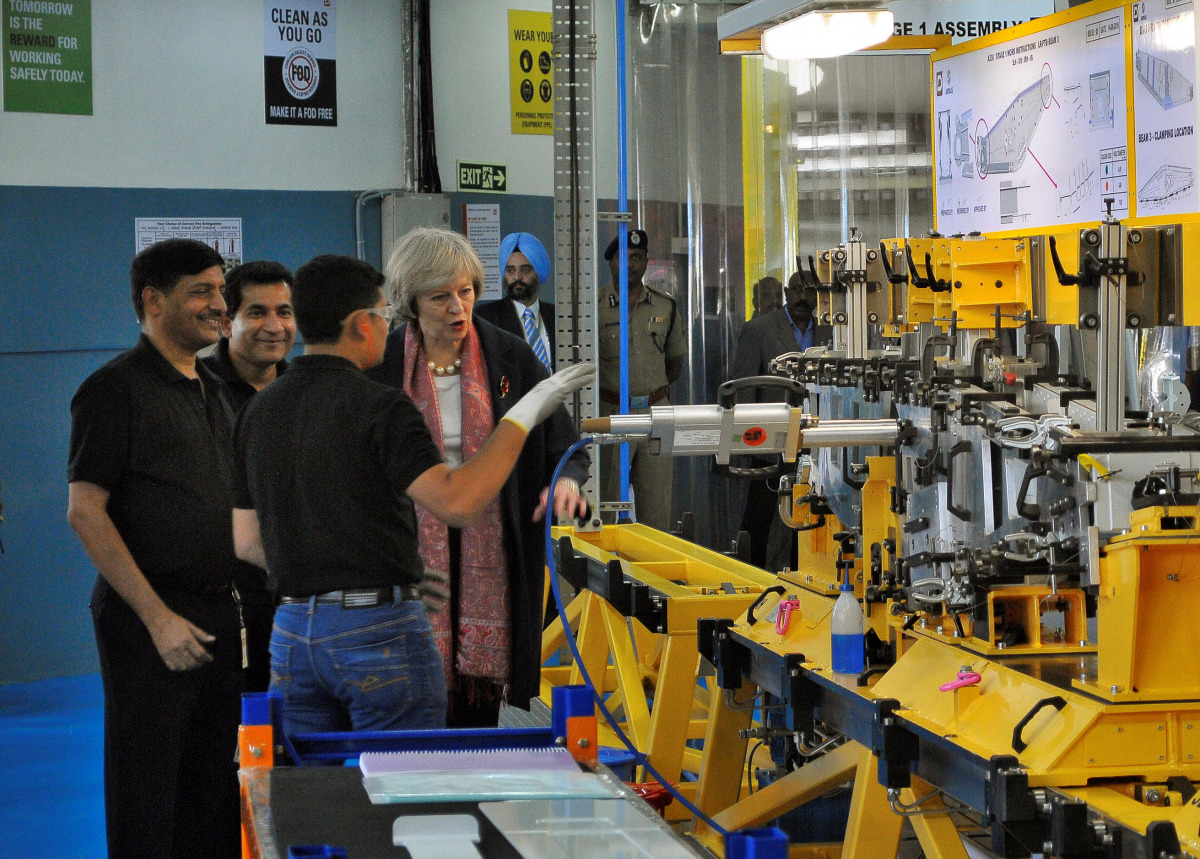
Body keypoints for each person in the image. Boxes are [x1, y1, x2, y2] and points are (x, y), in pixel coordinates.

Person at [232, 250, 593, 736]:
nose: (456, 306)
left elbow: (247, 541)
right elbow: (458, 503)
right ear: (363, 323)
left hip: (293, 632)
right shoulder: (382, 403)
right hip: (378, 631)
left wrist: (352, 574)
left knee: (316, 778)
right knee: (407, 773)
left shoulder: (259, 409)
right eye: (385, 314)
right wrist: (526, 412)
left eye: (465, 292)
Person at [368, 227, 590, 727]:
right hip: (405, 547)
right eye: (439, 297)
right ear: (410, 301)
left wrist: (565, 483)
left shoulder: (509, 355)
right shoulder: (382, 363)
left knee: (475, 716)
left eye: (465, 291)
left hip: (492, 543)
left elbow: (562, 442)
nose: (457, 307)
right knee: (405, 715)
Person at [67, 238, 243, 858]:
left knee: (213, 790)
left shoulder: (213, 387)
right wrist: (157, 618)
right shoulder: (113, 390)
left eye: (220, 290)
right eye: (201, 291)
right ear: (153, 300)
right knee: (148, 790)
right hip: (149, 618)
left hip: (217, 612)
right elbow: (85, 511)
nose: (218, 304)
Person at [201, 259, 295, 692]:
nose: (274, 326)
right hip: (224, 603)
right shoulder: (198, 391)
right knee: (238, 726)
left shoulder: (307, 392)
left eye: (284, 312)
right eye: (257, 312)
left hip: (299, 597)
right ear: (226, 323)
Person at [728, 270, 832, 571]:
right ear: (787, 293)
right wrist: (744, 444)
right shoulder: (759, 330)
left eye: (810, 291)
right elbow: (744, 389)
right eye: (797, 290)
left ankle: (804, 575)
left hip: (816, 443)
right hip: (769, 442)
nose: (803, 297)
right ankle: (750, 574)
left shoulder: (829, 332)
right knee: (760, 518)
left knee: (810, 517)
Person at [597, 228, 685, 532]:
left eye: (637, 257)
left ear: (646, 261)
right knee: (604, 508)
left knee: (656, 510)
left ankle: (651, 563)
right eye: (623, 256)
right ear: (610, 262)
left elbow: (675, 362)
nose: (630, 263)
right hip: (611, 414)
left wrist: (648, 392)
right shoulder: (593, 307)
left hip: (654, 413)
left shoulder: (665, 306)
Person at [474, 231, 556, 372]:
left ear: (539, 272)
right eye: (510, 270)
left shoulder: (557, 316)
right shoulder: (484, 318)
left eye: (525, 270)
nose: (517, 277)